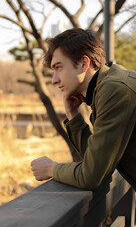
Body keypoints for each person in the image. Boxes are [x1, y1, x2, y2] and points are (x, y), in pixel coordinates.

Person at [31, 28, 136, 191]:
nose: (54, 79)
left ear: (84, 64)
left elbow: (92, 175)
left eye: (59, 67)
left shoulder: (114, 90)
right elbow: (98, 160)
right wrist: (73, 117)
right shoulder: (110, 84)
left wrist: (51, 168)